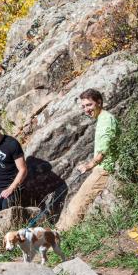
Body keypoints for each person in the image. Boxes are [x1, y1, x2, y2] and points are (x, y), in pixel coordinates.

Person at [55, 88, 118, 231]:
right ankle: (57, 233)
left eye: (89, 105)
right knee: (76, 201)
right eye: (83, 106)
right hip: (101, 168)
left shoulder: (106, 120)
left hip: (104, 169)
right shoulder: (103, 118)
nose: (86, 109)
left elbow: (104, 149)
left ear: (99, 102)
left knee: (77, 204)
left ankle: (60, 236)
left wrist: (89, 166)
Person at [0, 115, 28, 216]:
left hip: (12, 187)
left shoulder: (12, 144)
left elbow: (23, 170)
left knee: (6, 217)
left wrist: (11, 188)